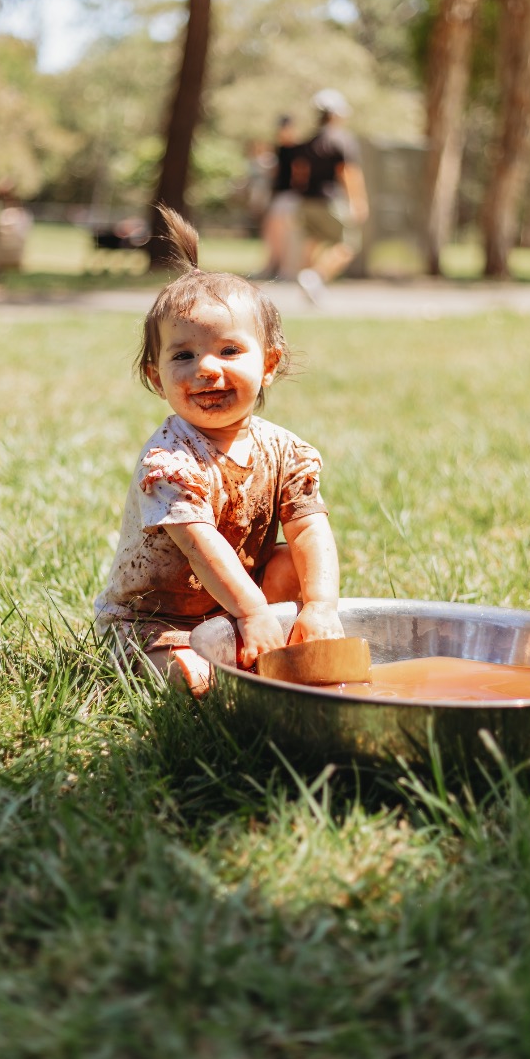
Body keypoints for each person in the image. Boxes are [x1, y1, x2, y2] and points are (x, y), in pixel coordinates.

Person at [94, 206, 345, 697]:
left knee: (292, 560)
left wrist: (319, 608)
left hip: (231, 609)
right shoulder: (170, 461)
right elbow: (199, 544)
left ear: (269, 364)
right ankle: (237, 658)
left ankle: (270, 645)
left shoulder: (285, 450)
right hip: (152, 623)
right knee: (200, 684)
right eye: (183, 355)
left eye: (229, 351)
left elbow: (310, 528)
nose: (207, 369)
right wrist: (251, 612)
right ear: (155, 376)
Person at [293, 89, 369, 301]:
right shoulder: (341, 140)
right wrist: (358, 201)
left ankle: (309, 286)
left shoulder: (307, 143)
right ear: (335, 114)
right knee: (348, 245)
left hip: (306, 201)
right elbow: (348, 173)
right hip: (330, 201)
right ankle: (314, 277)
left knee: (313, 240)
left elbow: (298, 175)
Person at [255, 115, 303, 281]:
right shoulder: (280, 149)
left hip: (291, 197)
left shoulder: (297, 150)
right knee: (273, 233)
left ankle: (287, 271)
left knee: (288, 234)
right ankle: (271, 267)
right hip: (280, 196)